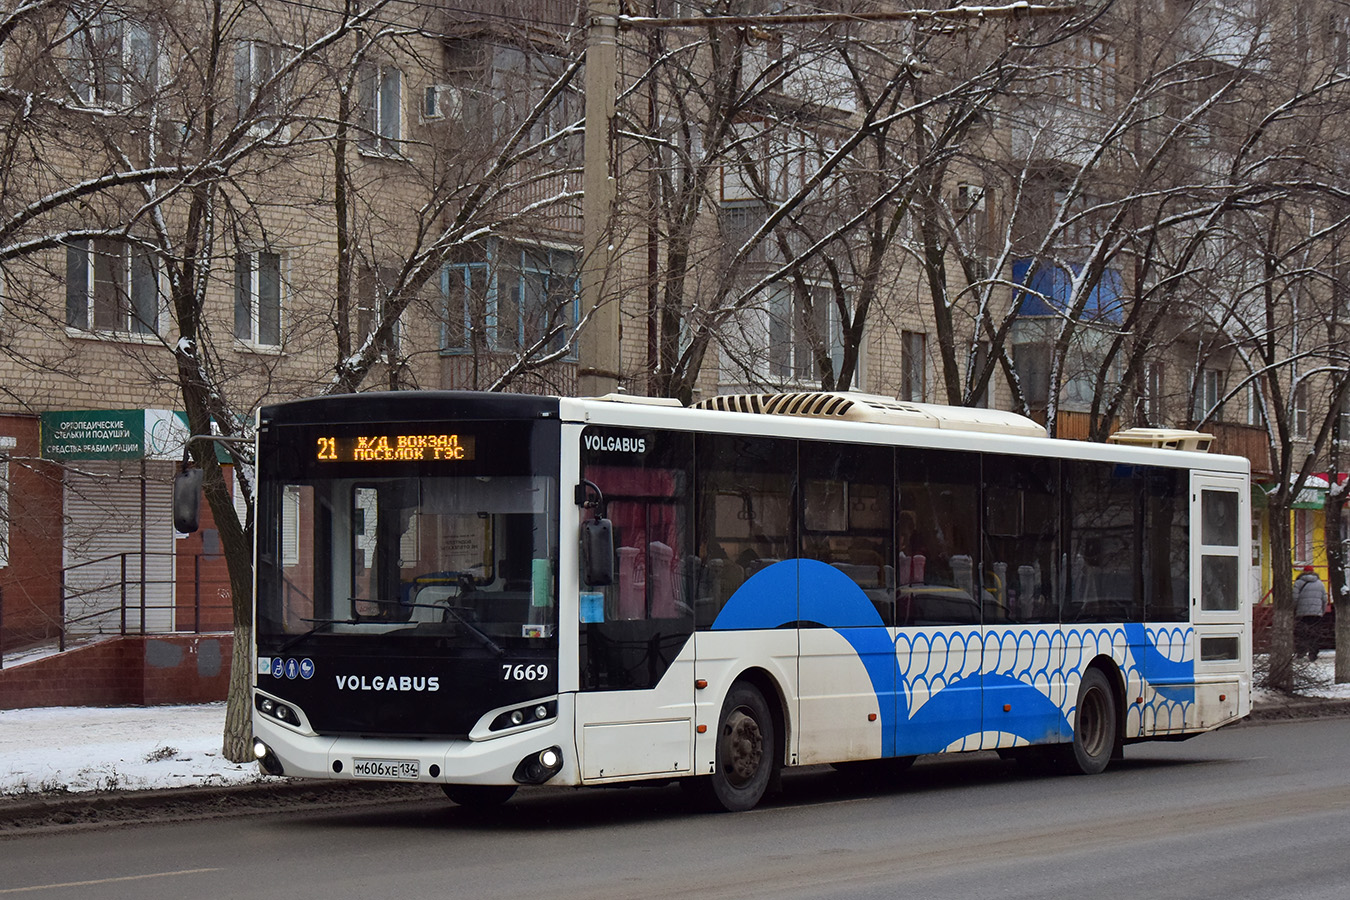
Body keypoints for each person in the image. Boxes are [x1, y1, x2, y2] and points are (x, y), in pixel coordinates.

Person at [1294, 565, 1329, 662]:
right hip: (1316, 614)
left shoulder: (1298, 583)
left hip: (1302, 613)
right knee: (1314, 634)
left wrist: (1295, 610)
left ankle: (1301, 653)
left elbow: (1295, 598)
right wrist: (1322, 611)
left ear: (1303, 572)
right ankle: (1313, 655)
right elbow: (1324, 599)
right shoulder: (1320, 583)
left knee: (1302, 633)